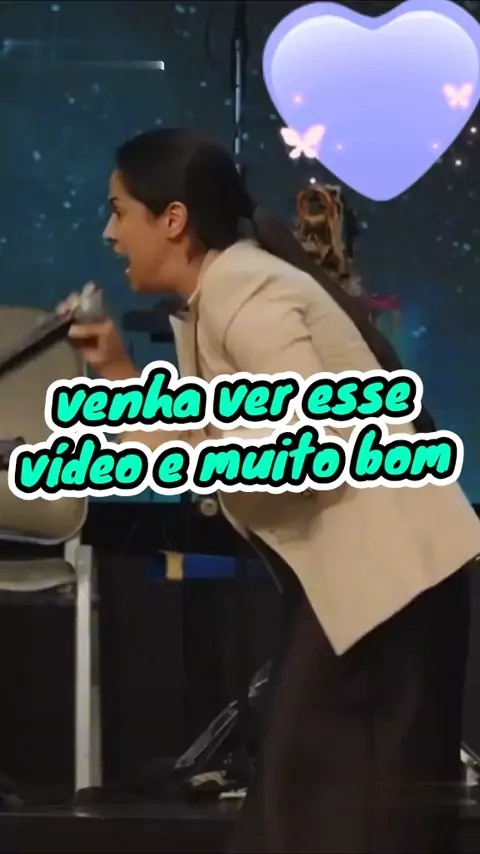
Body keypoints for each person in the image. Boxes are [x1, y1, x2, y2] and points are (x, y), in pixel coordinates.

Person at [59, 128, 480, 853]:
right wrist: (121, 375)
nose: (109, 232)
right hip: (374, 587)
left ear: (173, 219)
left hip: (388, 588)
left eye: (119, 211)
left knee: (315, 817)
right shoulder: (222, 290)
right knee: (315, 816)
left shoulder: (243, 288)